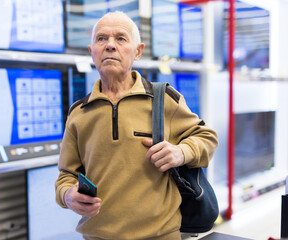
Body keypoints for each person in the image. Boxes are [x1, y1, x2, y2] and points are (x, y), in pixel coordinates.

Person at [55, 11, 218, 240]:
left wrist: (181, 152)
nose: (110, 45)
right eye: (101, 39)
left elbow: (207, 137)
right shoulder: (79, 113)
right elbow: (66, 176)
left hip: (161, 235)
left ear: (138, 51)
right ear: (92, 52)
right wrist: (68, 196)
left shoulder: (163, 99)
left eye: (121, 38)